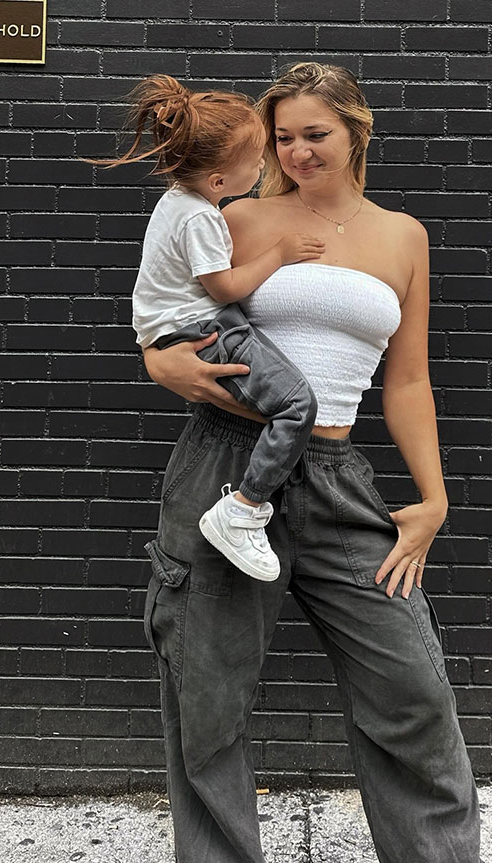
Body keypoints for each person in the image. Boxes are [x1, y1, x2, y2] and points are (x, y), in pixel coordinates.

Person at [141, 62, 492, 863]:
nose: (298, 151)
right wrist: (160, 366)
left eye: (316, 134)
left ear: (356, 131)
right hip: (228, 465)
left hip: (341, 482)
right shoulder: (233, 215)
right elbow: (173, 312)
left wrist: (433, 499)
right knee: (208, 710)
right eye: (284, 136)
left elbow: (407, 381)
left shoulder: (402, 236)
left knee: (413, 702)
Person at [90, 74, 326, 582]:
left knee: (275, 393)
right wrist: (281, 254)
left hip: (186, 324)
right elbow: (224, 289)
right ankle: (243, 509)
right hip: (201, 325)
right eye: (260, 158)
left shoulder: (178, 202)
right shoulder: (202, 219)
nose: (267, 164)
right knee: (298, 404)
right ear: (219, 182)